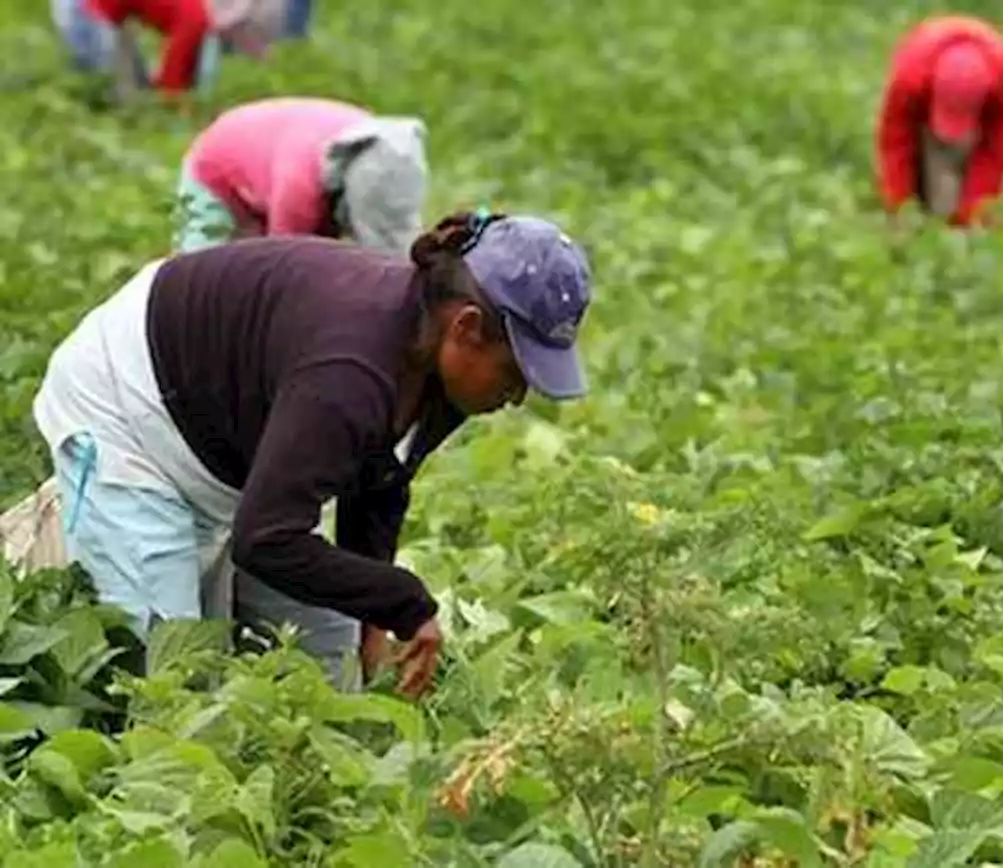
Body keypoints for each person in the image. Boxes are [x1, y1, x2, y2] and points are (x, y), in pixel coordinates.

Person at [32, 211, 593, 697]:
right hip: (129, 408)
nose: (518, 396)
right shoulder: (348, 373)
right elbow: (266, 539)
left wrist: (374, 618)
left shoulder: (437, 364)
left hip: (235, 439)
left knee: (330, 662)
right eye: (516, 373)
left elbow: (382, 484)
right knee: (167, 682)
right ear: (467, 328)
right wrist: (403, 600)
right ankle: (55, 544)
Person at [175, 97, 428, 255]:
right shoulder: (299, 190)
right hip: (218, 172)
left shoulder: (388, 155)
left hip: (280, 166)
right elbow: (283, 267)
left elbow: (394, 245)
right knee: (205, 268)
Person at [875, 15, 1003, 229]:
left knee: (962, 185)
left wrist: (972, 214)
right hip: (924, 83)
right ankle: (933, 217)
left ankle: (952, 223)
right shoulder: (910, 78)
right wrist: (899, 204)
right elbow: (895, 144)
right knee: (930, 172)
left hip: (987, 98)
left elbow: (996, 155)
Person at [50, 0, 284, 106]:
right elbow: (173, 76)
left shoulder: (201, 15)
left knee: (132, 87)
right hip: (88, 9)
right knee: (112, 92)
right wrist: (182, 108)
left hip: (111, 15)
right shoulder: (197, 20)